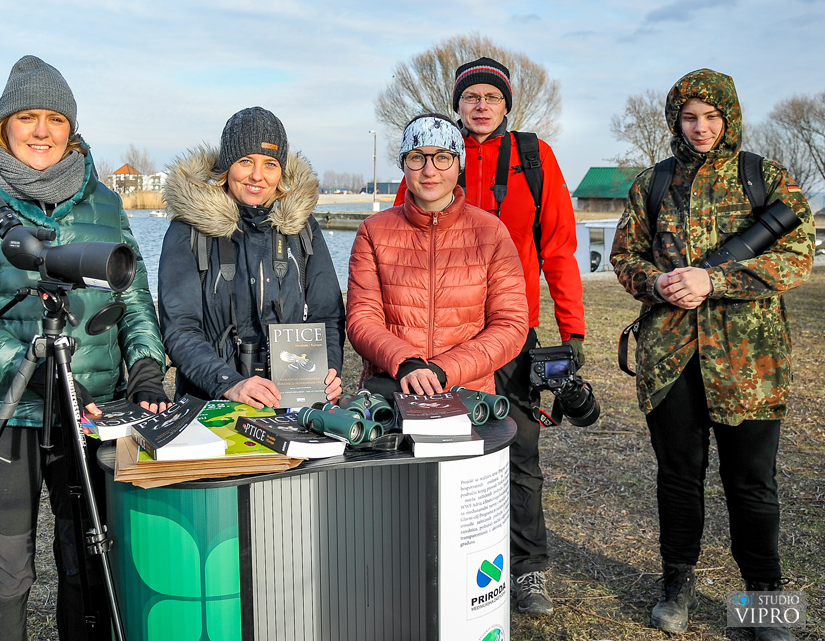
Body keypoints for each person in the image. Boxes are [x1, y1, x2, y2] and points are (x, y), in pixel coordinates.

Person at [0, 55, 167, 641]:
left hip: (92, 411)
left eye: (54, 119)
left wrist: (146, 367)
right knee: (5, 570)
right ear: (4, 124)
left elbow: (133, 298)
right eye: (27, 117)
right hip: (1, 412)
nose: (41, 131)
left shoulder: (105, 202)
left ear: (71, 129)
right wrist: (37, 374)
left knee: (88, 558)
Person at [611, 69, 812, 640]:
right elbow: (625, 256)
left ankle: (765, 601)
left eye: (712, 116)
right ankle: (676, 587)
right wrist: (657, 283)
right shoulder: (653, 182)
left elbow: (797, 254)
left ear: (730, 117)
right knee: (678, 477)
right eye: (689, 117)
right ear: (675, 120)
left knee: (752, 481)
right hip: (670, 357)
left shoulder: (765, 177)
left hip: (750, 361)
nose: (701, 127)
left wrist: (713, 280)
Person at [392, 57, 585, 614]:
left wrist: (572, 329)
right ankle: (440, 559)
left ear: (506, 105)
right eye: (471, 97)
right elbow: (402, 236)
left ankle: (527, 569)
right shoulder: (437, 158)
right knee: (432, 444)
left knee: (519, 450)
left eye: (492, 97)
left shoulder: (533, 158)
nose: (481, 106)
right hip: (440, 334)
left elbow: (559, 247)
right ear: (457, 105)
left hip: (510, 331)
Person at [158, 106, 345, 408]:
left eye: (270, 164)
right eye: (245, 161)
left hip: (291, 402)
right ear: (227, 167)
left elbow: (328, 315)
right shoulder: (189, 229)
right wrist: (229, 384)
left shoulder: (302, 228)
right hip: (209, 402)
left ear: (281, 172)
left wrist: (330, 369)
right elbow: (179, 328)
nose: (257, 175)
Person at [348, 113, 527, 407]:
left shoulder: (491, 232)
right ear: (404, 164)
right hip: (392, 395)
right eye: (417, 157)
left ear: (459, 164)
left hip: (468, 397)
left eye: (443, 157)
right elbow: (362, 318)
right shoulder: (373, 231)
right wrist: (405, 362)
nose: (429, 170)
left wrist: (443, 370)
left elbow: (510, 325)